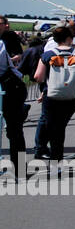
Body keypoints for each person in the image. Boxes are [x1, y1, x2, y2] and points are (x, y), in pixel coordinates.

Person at [33, 25, 75, 165]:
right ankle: (57, 161)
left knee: (52, 127)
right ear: (69, 38)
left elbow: (38, 77)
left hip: (51, 96)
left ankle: (52, 159)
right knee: (60, 128)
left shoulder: (47, 55)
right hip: (71, 96)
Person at [0, 37, 30, 175]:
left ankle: (19, 169)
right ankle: (20, 169)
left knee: (15, 131)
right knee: (15, 131)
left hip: (9, 89)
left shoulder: (0, 44)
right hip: (11, 87)